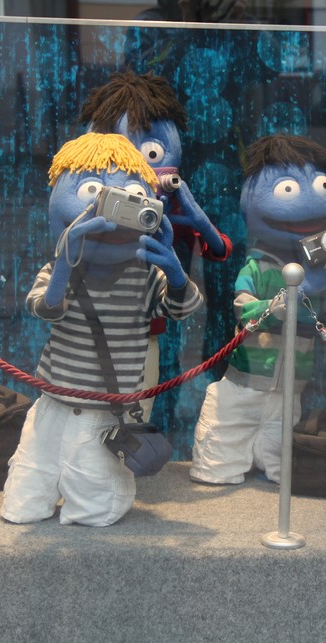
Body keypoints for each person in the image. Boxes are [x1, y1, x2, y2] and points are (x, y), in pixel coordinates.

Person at [0, 132, 203, 526]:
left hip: (105, 415)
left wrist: (176, 273)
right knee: (23, 499)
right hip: (51, 405)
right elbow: (45, 309)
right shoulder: (60, 267)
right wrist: (66, 258)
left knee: (97, 509)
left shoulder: (145, 275)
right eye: (95, 192)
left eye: (132, 196)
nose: (115, 210)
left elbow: (183, 309)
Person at [190, 134, 326, 484]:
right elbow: (245, 312)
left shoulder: (320, 270)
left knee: (283, 471)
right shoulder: (255, 267)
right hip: (244, 383)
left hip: (291, 390)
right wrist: (296, 293)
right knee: (217, 465)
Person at [78, 71, 232, 420]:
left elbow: (219, 249)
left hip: (156, 318)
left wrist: (195, 217)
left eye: (149, 152)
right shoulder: (90, 196)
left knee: (153, 384)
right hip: (96, 318)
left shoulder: (169, 205)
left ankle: (157, 427)